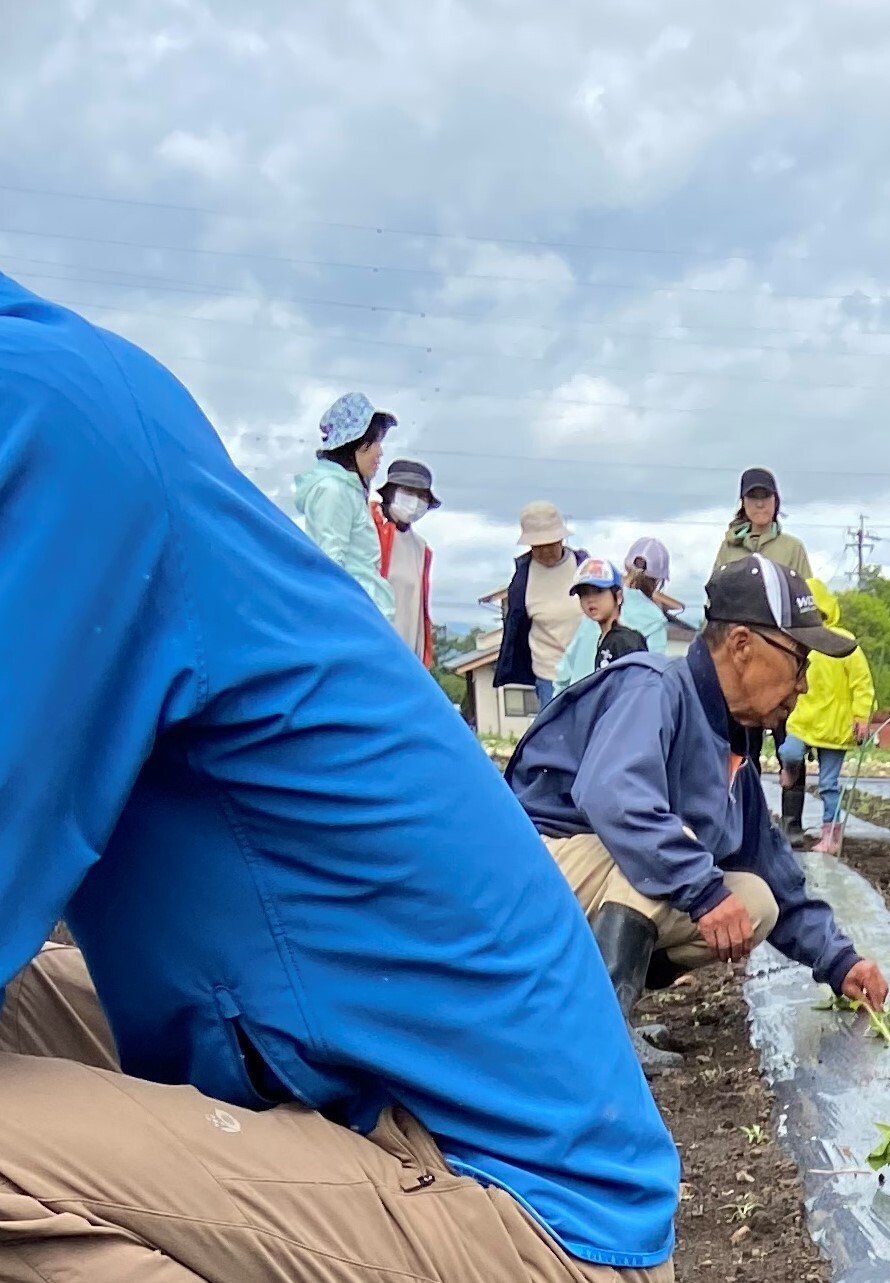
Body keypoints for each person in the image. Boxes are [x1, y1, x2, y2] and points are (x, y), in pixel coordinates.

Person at [0, 274, 678, 1279]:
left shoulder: (49, 422)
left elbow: (635, 811)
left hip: (517, 1208)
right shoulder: (89, 400)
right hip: (342, 1072)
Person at [505, 555, 890, 1073]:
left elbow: (775, 873)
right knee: (671, 853)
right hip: (523, 876)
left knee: (755, 900)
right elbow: (613, 796)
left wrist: (841, 961)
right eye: (800, 661)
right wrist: (703, 891)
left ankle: (586, 1008)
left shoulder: (731, 744)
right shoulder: (654, 687)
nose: (802, 684)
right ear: (741, 646)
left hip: (582, 881)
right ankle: (597, 1036)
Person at [777, 579, 874, 855]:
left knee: (829, 785)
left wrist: (861, 716)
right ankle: (791, 768)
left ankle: (830, 837)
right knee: (790, 751)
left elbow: (862, 684)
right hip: (804, 719)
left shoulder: (843, 643)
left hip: (834, 725)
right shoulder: (795, 641)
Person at [294, 391, 395, 621]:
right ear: (353, 444)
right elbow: (331, 564)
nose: (380, 452)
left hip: (363, 614)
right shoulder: (333, 490)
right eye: (374, 442)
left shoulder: (347, 490)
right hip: (354, 619)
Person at [557, 537, 676, 694]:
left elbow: (564, 673)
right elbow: (653, 675)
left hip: (579, 704)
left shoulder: (595, 612)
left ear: (626, 568)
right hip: (618, 709)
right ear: (659, 581)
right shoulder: (654, 621)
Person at [496, 500, 587, 706]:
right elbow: (516, 627)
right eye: (538, 546)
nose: (545, 551)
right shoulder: (523, 578)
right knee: (555, 736)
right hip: (549, 674)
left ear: (562, 539)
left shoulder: (584, 567)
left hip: (588, 669)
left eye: (551, 544)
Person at [372, 456, 441, 667]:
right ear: (391, 492)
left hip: (407, 658)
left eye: (422, 496)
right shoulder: (367, 528)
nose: (415, 501)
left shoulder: (420, 548)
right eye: (408, 492)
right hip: (373, 649)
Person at [713, 467, 812, 578]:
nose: (760, 504)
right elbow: (715, 593)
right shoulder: (728, 548)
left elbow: (807, 593)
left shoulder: (793, 548)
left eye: (765, 496)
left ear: (775, 501)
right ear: (743, 503)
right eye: (752, 497)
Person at [572, 557, 649, 672]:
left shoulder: (626, 641)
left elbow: (637, 685)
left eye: (598, 591)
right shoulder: (606, 638)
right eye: (584, 593)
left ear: (618, 597)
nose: (590, 599)